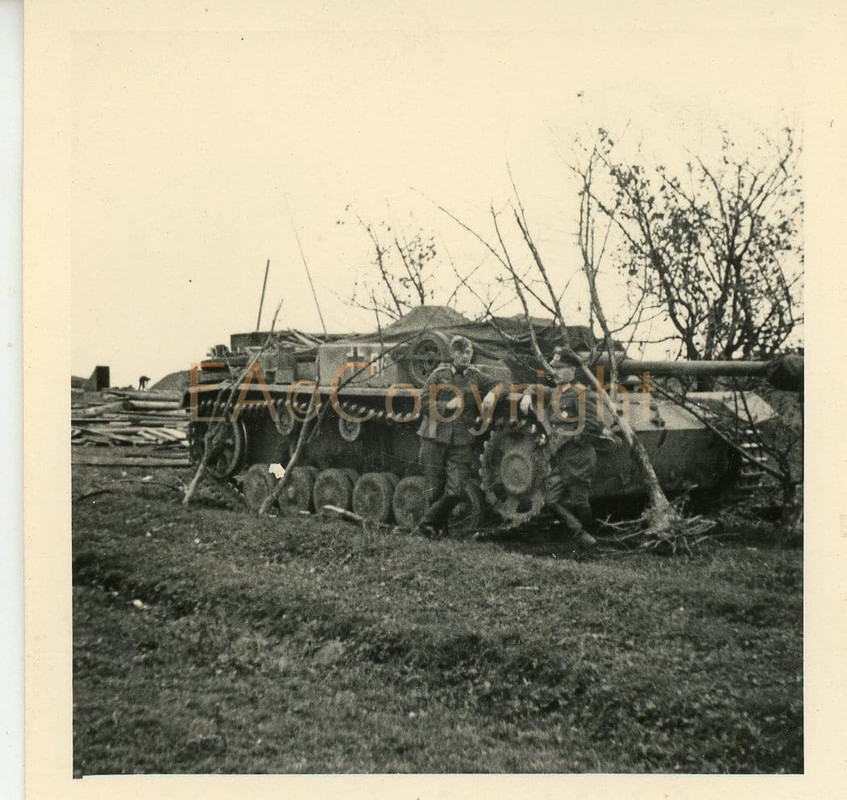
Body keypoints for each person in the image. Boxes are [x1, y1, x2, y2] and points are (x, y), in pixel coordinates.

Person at [522, 346, 606, 549]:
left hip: (578, 457)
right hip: (560, 456)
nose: (555, 372)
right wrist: (526, 394)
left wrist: (572, 439)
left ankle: (589, 536)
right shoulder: (558, 391)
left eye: (560, 368)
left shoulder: (582, 394)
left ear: (572, 370)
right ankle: (581, 534)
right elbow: (536, 388)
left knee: (579, 501)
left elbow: (594, 426)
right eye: (554, 368)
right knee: (550, 499)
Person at [416, 335, 494, 537]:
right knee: (433, 489)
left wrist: (492, 394)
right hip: (434, 435)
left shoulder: (476, 376)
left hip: (461, 439)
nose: (465, 357)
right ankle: (437, 530)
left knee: (456, 490)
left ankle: (426, 523)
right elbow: (423, 403)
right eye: (461, 352)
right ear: (452, 354)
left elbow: (501, 384)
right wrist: (445, 406)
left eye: (468, 352)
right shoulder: (438, 375)